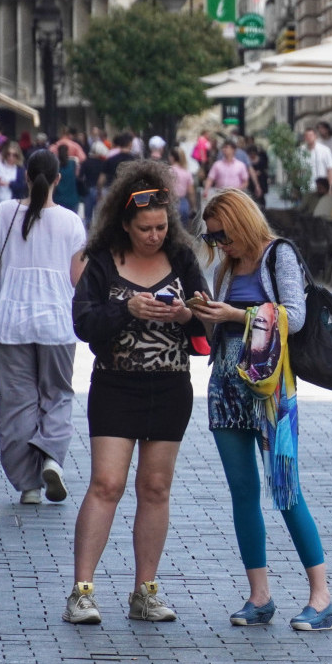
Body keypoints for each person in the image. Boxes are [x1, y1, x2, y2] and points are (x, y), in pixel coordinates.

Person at [67, 163, 209, 624]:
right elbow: (84, 324)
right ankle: (82, 591)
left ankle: (145, 591)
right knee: (106, 484)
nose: (154, 235)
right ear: (124, 224)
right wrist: (126, 308)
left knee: (155, 488)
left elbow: (208, 320)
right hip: (115, 385)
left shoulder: (183, 260)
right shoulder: (104, 260)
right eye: (145, 228)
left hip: (169, 387)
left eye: (162, 227)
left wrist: (187, 317)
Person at [191, 189, 332, 631]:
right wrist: (197, 313)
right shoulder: (224, 266)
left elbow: (296, 316)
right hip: (225, 388)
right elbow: (215, 326)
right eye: (212, 238)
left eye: (223, 235)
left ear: (242, 224)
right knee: (242, 492)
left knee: (286, 489)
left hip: (272, 389)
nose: (219, 245)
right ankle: (260, 596)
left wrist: (235, 315)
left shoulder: (279, 256)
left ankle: (321, 598)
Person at [0, 149, 87, 505]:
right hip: (57, 321)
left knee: (16, 403)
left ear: (26, 176)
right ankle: (52, 457)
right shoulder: (71, 221)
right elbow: (76, 277)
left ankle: (28, 486)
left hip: (11, 321)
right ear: (58, 178)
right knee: (57, 394)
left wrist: (16, 265)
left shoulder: (5, 213)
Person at [0, 141, 27, 206]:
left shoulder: (20, 169)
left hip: (14, 203)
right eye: (8, 154)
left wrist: (9, 184)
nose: (11, 157)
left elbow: (22, 187)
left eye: (14, 155)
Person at [169, 147, 197, 227]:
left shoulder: (168, 171)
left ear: (172, 157)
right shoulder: (187, 173)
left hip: (170, 202)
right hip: (183, 203)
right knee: (183, 229)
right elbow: (191, 192)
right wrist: (193, 207)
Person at [53, 144, 84, 214]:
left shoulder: (55, 166)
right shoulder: (73, 164)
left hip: (58, 199)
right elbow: (77, 176)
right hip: (73, 199)